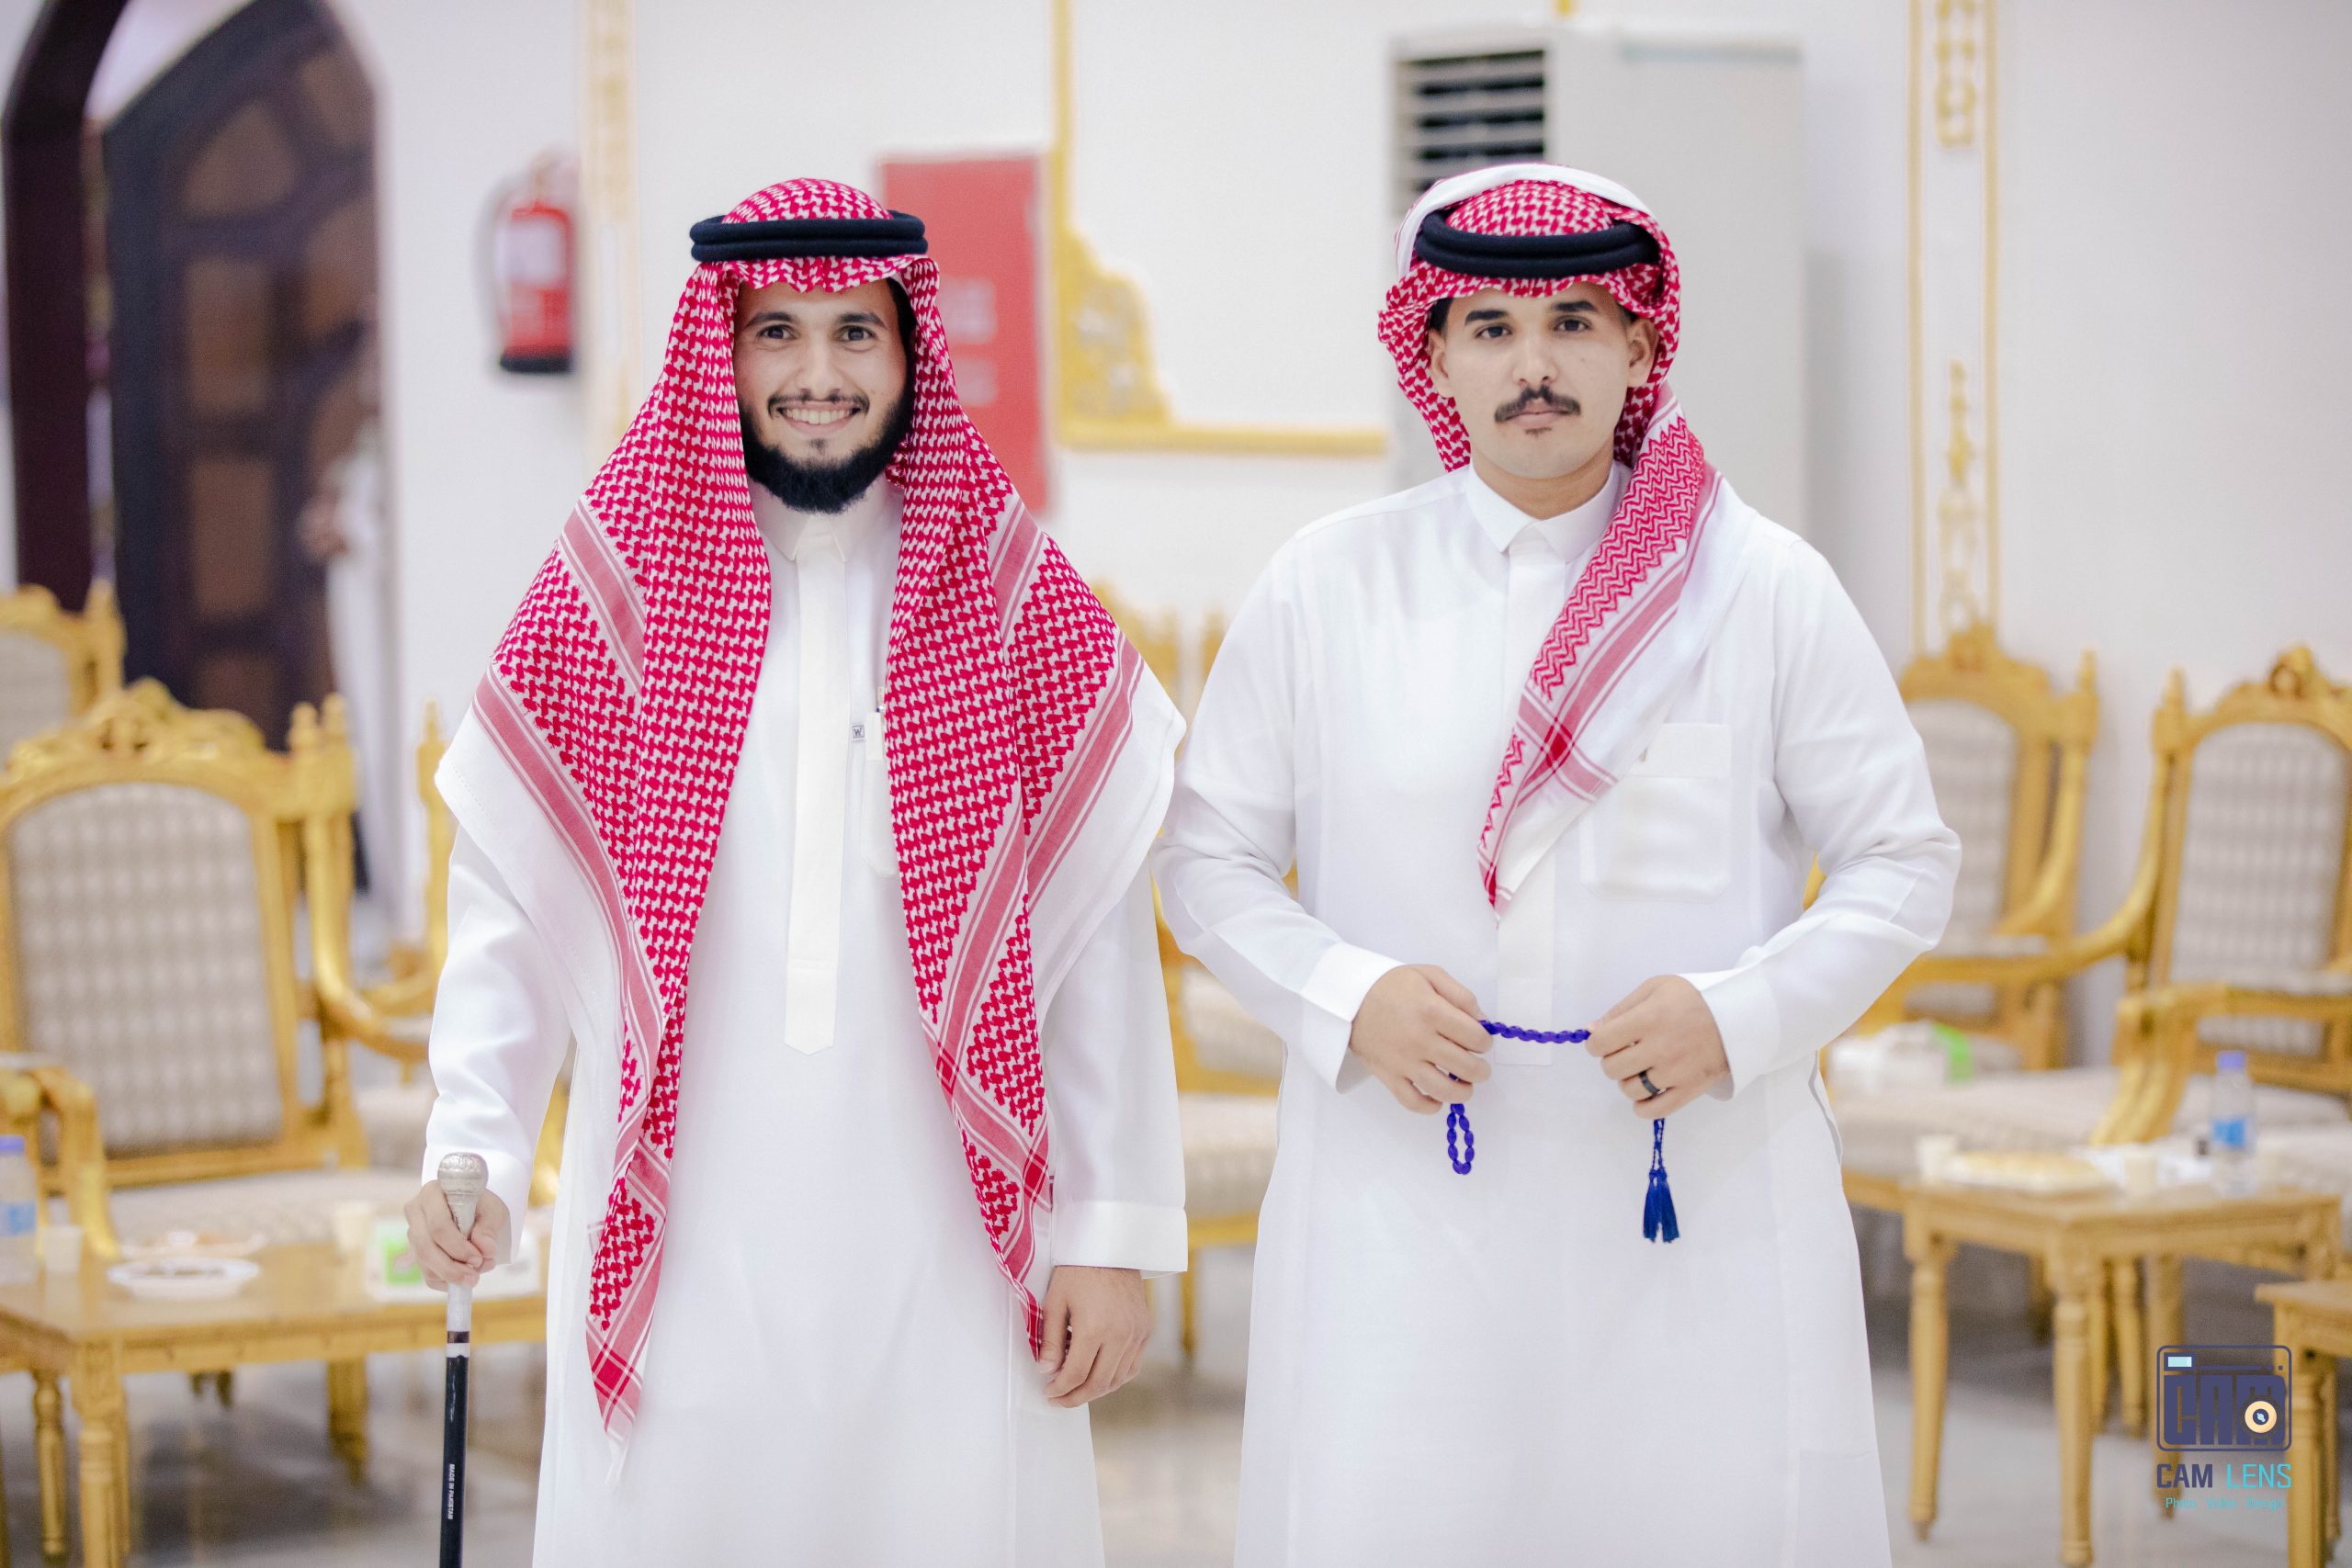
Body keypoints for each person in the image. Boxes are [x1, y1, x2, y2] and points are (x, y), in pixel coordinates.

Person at [1152, 163, 1958, 1567]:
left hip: (1697, 1202)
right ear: (1436, 357)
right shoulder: (1329, 586)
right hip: (1403, 1201)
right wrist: (1346, 997)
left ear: (1640, 346)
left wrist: (1741, 1016)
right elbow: (1205, 856)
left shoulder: (1763, 588)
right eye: (1493, 330)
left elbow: (1903, 860)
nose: (1534, 367)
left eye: (1575, 323)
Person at [403, 178, 1187, 1566]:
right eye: (777, 332)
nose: (817, 373)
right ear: (721, 348)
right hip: (686, 1235)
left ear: (910, 349)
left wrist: (1111, 1231)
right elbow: (508, 911)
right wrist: (472, 1143)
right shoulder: (616, 589)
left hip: (948, 1246)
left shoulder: (1013, 601)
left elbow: (1095, 952)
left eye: (854, 333)